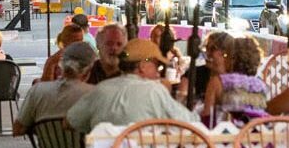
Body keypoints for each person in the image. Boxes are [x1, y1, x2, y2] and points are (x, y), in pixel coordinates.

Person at [66, 39, 198, 133]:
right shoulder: (154, 91)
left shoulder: (100, 89)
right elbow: (192, 122)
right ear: (142, 66)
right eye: (158, 66)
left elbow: (69, 123)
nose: (159, 72)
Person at [201, 36, 267, 126]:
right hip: (257, 136)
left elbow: (207, 118)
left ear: (231, 59)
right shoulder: (260, 85)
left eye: (226, 55)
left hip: (227, 137)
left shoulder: (218, 82)